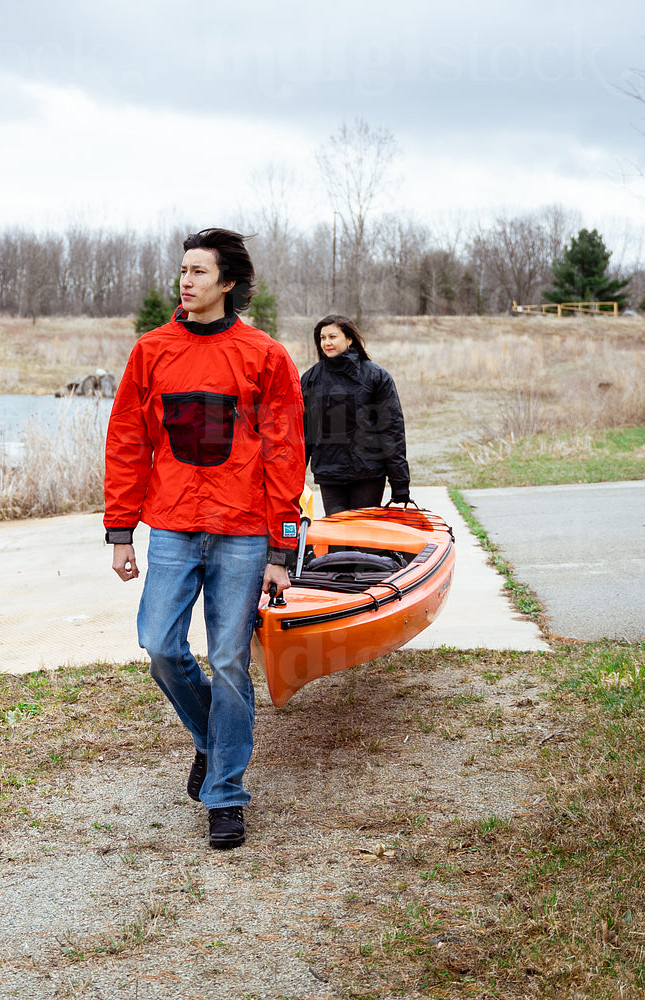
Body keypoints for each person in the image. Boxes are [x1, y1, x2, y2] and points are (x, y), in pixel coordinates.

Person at [103, 228, 306, 851]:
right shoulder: (151, 351)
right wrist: (119, 530)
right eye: (181, 270)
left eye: (197, 271)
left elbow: (285, 453)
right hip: (169, 527)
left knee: (228, 662)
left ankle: (225, 794)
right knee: (159, 644)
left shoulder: (266, 357)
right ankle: (211, 739)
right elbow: (127, 441)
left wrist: (281, 548)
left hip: (243, 534)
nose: (184, 281)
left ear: (228, 283)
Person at [300, 315, 410, 515]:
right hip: (329, 475)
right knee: (336, 541)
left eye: (332, 336)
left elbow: (391, 430)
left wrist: (400, 483)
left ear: (349, 339)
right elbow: (304, 433)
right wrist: (294, 480)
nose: (326, 343)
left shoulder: (376, 376)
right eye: (322, 338)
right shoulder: (310, 379)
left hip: (368, 474)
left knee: (363, 539)